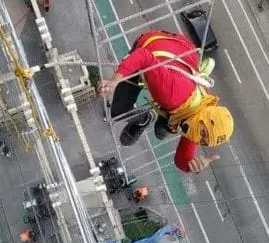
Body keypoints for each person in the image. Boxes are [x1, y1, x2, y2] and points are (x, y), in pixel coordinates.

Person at [99, 29, 234, 174]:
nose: (198, 140)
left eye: (203, 142)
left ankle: (166, 122)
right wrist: (115, 80)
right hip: (151, 47)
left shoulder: (201, 114)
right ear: (205, 120)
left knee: (165, 130)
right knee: (118, 112)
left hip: (180, 51)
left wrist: (192, 165)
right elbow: (143, 57)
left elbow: (181, 159)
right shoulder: (172, 96)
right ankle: (145, 118)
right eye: (203, 134)